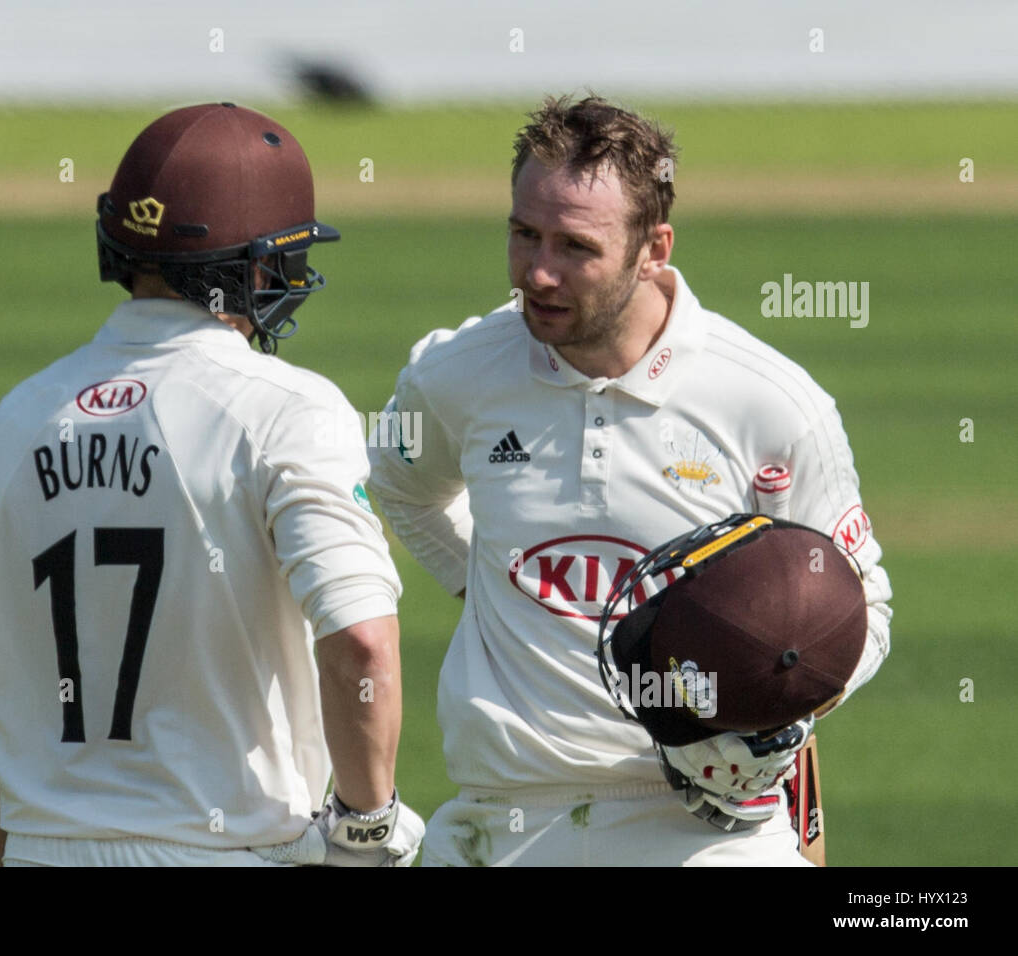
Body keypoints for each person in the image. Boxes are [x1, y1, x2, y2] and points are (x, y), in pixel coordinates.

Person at [366, 94, 892, 866]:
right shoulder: (455, 375)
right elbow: (403, 486)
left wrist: (773, 702)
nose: (538, 273)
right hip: (503, 820)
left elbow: (863, 605)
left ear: (654, 247)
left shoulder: (772, 403)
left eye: (576, 247)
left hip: (707, 835)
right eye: (522, 233)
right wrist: (484, 584)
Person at [0, 102, 423, 867]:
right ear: (259, 268)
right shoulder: (287, 408)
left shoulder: (14, 419)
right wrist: (369, 832)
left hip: (43, 849)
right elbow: (362, 645)